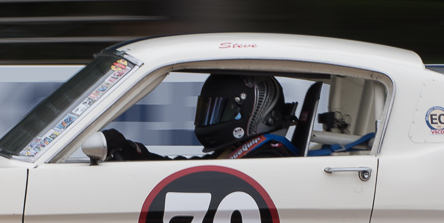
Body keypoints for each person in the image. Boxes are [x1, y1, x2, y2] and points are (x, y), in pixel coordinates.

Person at [103, 74, 299, 161]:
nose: (211, 118)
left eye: (223, 110)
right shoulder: (238, 152)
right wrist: (133, 152)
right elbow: (187, 170)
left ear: (256, 111)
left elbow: (200, 180)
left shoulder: (269, 157)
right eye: (210, 109)